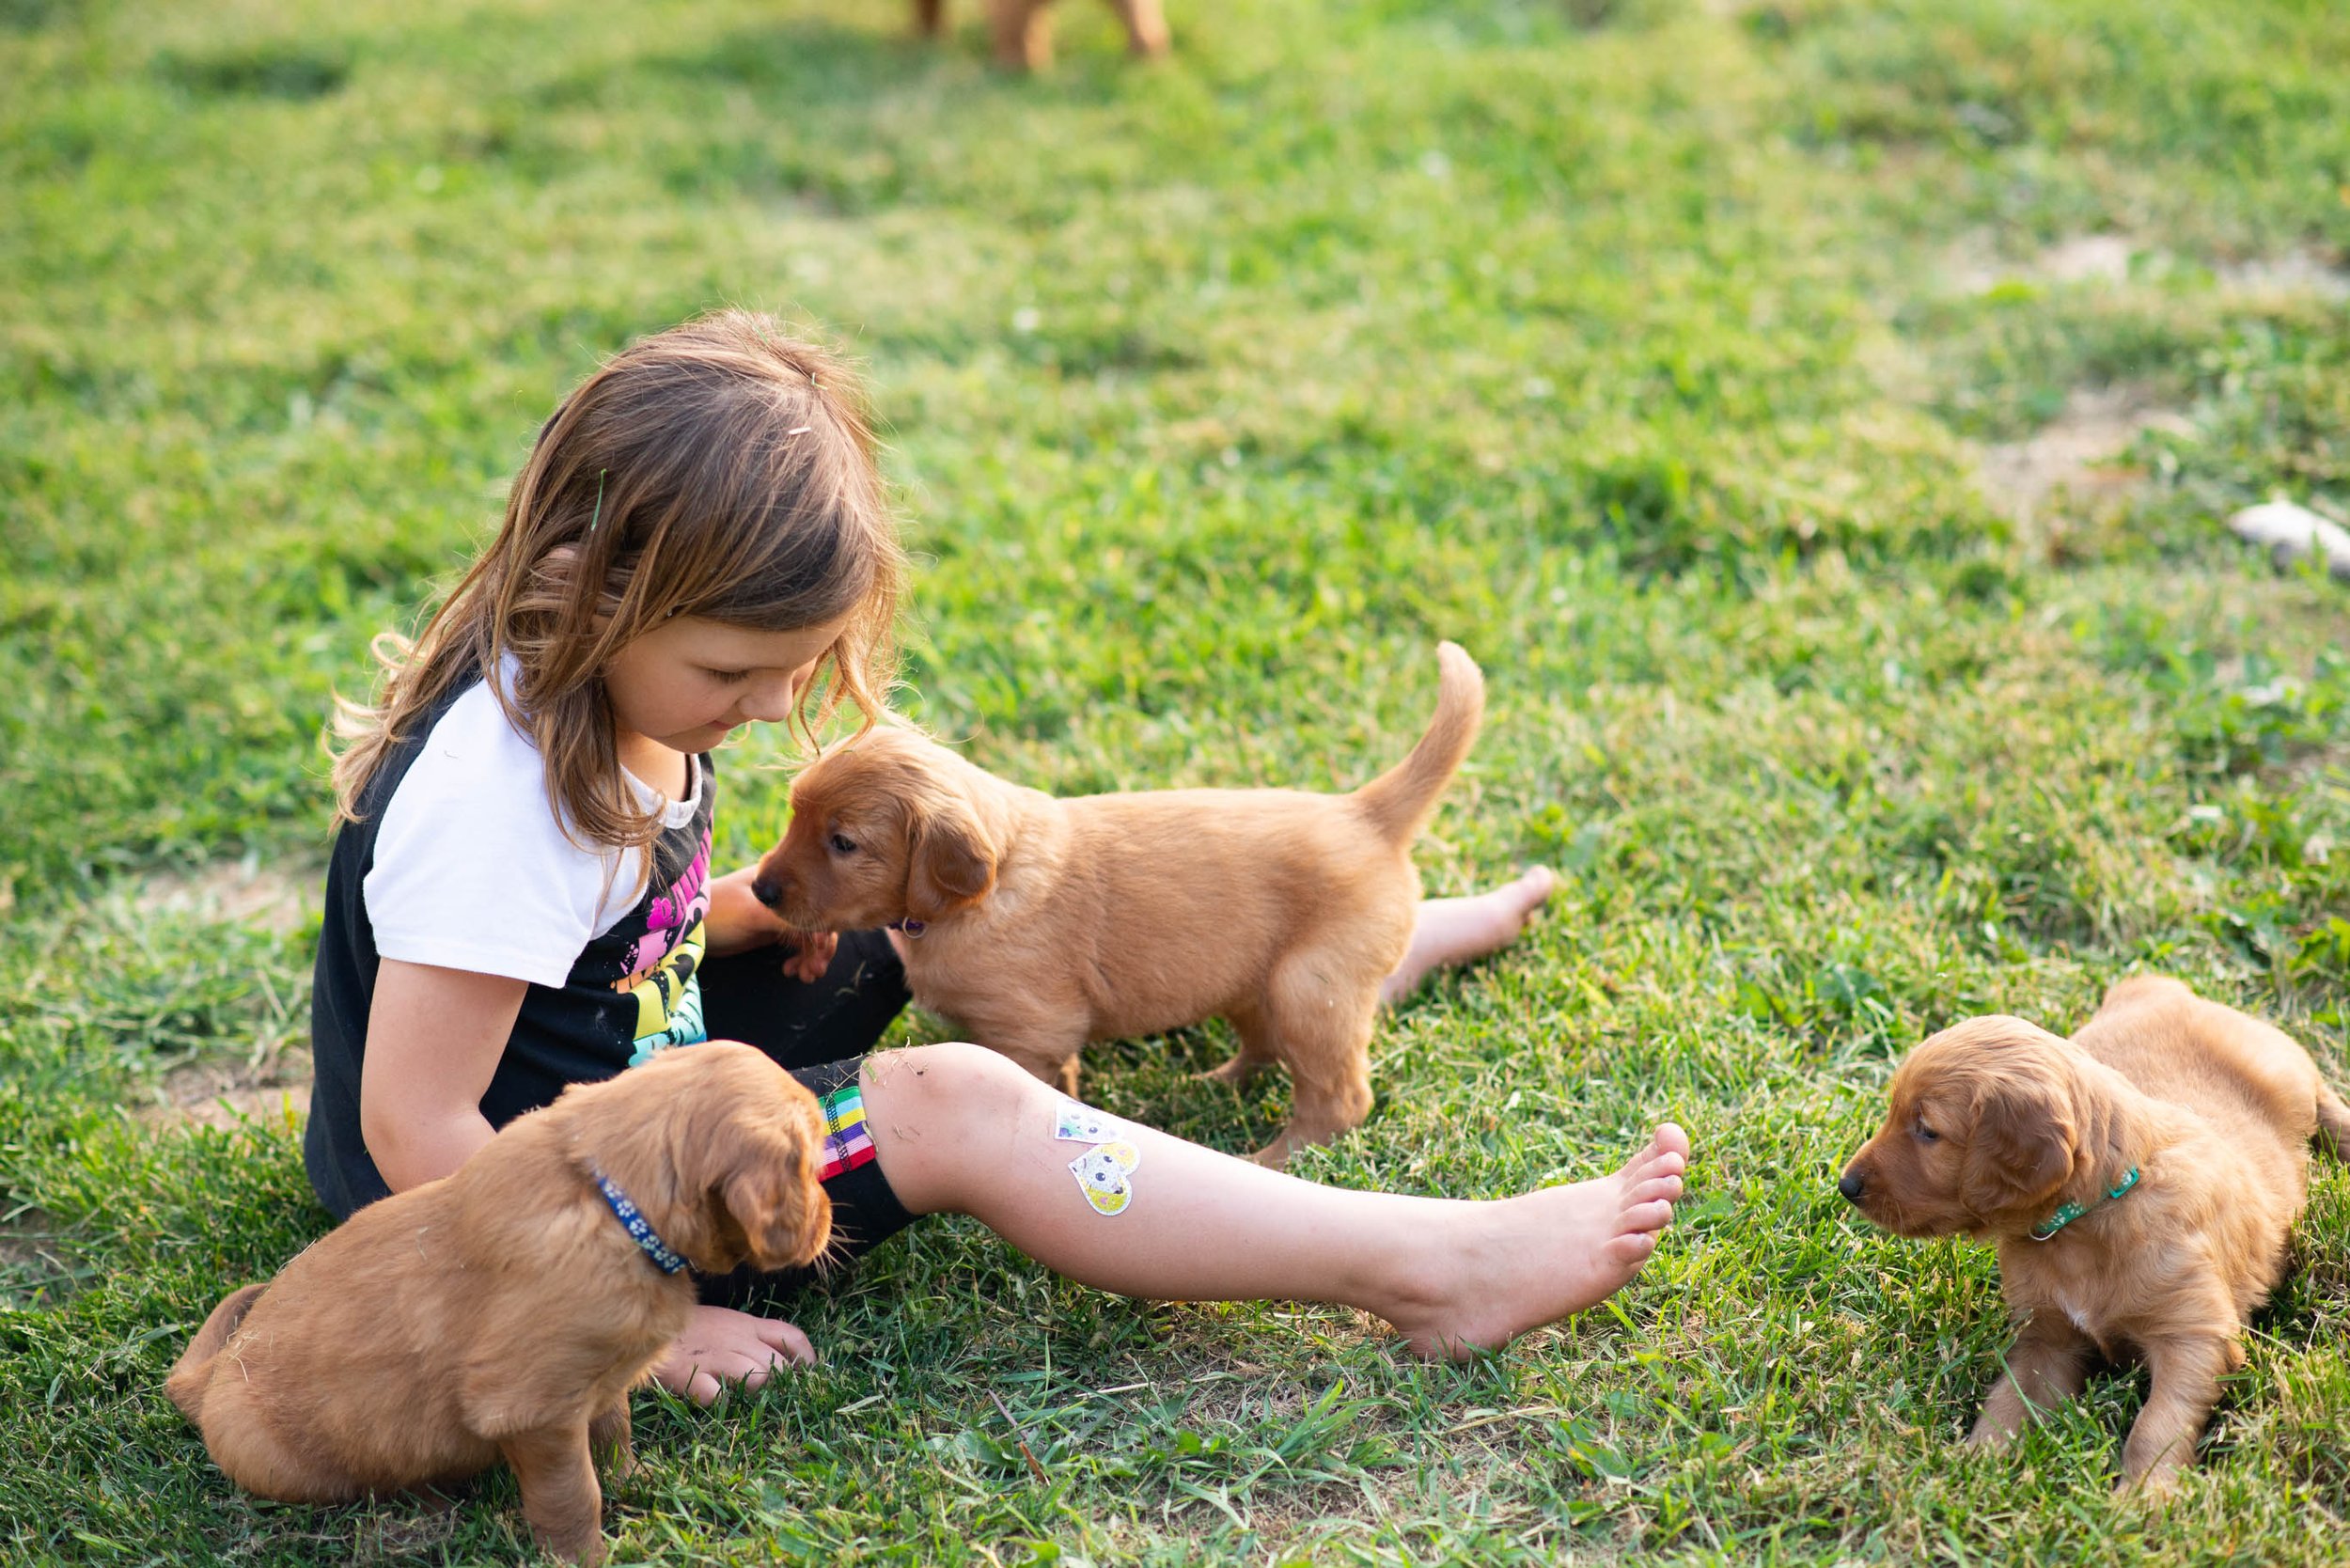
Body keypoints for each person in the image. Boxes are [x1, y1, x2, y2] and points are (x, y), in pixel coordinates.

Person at [306, 309, 1689, 1406]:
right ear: (597, 586)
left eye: (797, 666)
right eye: (736, 670)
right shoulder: (492, 806)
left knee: (907, 916)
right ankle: (1431, 1267)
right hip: (561, 1215)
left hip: (625, 1074)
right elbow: (413, 1129)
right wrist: (637, 1322)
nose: (775, 705)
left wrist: (743, 919)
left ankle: (1342, 939)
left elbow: (600, 937)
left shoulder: (619, 693)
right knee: (966, 1099)